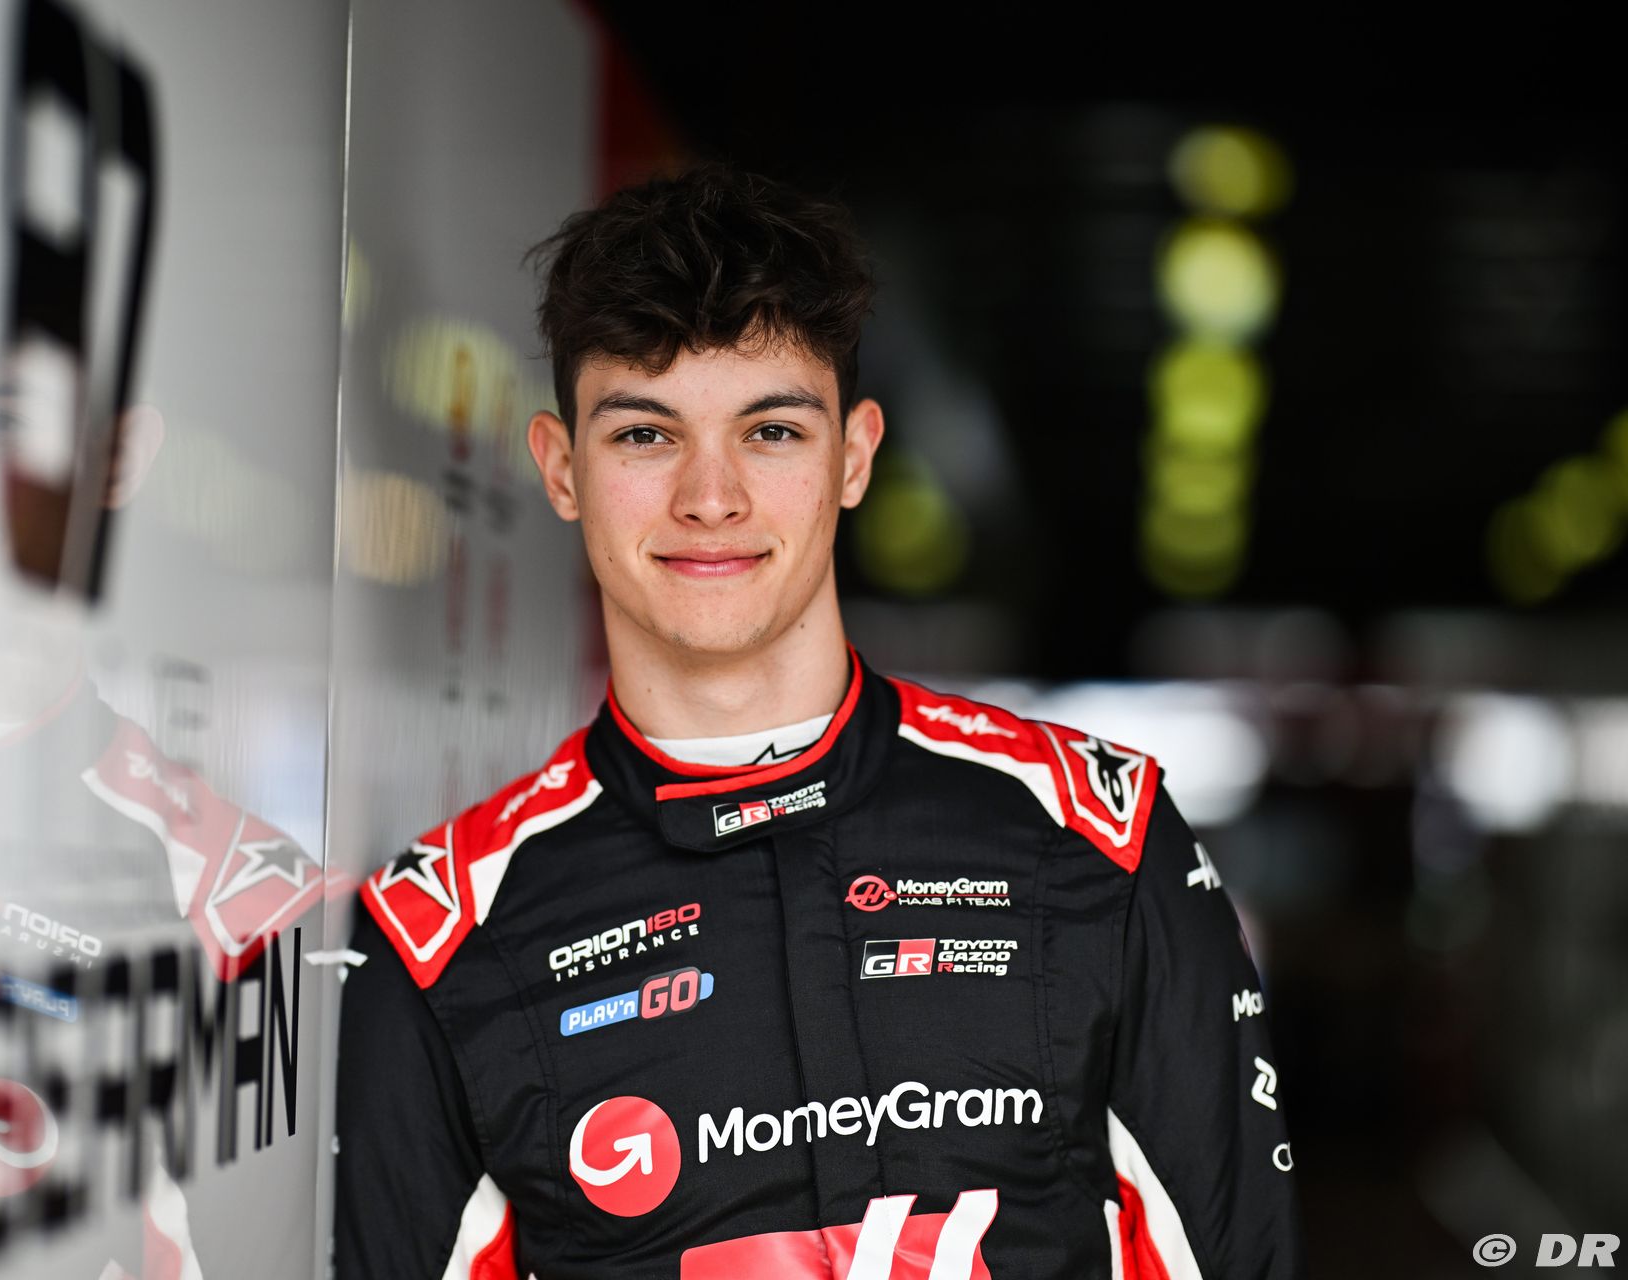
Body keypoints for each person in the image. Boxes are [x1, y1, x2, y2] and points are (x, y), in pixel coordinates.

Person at [334, 165, 1302, 1280]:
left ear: (854, 456)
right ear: (561, 469)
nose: (710, 497)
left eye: (772, 432)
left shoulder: (1100, 835)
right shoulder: (440, 936)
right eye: (644, 434)